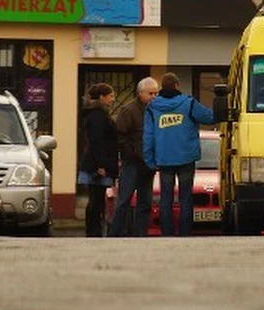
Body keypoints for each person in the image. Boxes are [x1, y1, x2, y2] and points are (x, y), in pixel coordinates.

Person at [143, 72, 215, 236]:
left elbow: (148, 136)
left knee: (166, 199)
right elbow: (209, 118)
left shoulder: (152, 107)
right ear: (176, 86)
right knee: (185, 198)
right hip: (186, 158)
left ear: (162, 87)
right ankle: (185, 233)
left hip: (164, 159)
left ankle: (167, 234)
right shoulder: (188, 103)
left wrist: (149, 160)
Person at [109, 76, 158, 236]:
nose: (154, 97)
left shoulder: (156, 111)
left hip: (148, 164)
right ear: (140, 93)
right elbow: (120, 137)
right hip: (132, 163)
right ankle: (115, 234)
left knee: (145, 203)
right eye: (150, 93)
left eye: (156, 93)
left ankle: (140, 235)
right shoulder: (128, 111)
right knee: (124, 201)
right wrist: (132, 156)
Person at [78, 82, 118, 238]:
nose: (113, 99)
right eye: (111, 96)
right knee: (96, 200)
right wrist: (101, 165)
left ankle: (93, 231)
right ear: (102, 97)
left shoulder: (96, 114)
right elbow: (97, 142)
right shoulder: (97, 116)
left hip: (95, 163)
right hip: (97, 165)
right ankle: (93, 232)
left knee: (97, 199)